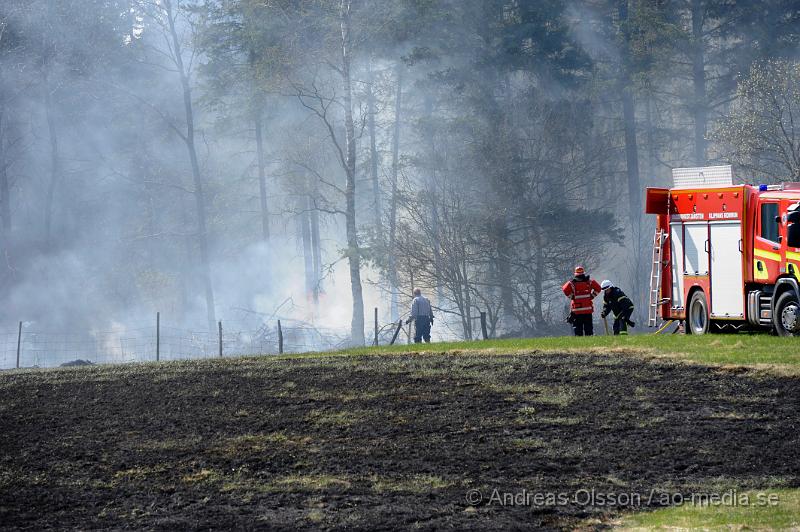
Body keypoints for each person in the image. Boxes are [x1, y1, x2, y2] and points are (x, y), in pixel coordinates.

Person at [562, 266, 602, 336]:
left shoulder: (571, 283)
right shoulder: (589, 282)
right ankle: (589, 343)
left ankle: (580, 344)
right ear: (583, 273)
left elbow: (564, 289)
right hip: (588, 311)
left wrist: (571, 297)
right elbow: (598, 288)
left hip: (577, 312)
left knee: (578, 329)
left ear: (575, 274)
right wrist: (592, 296)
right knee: (588, 329)